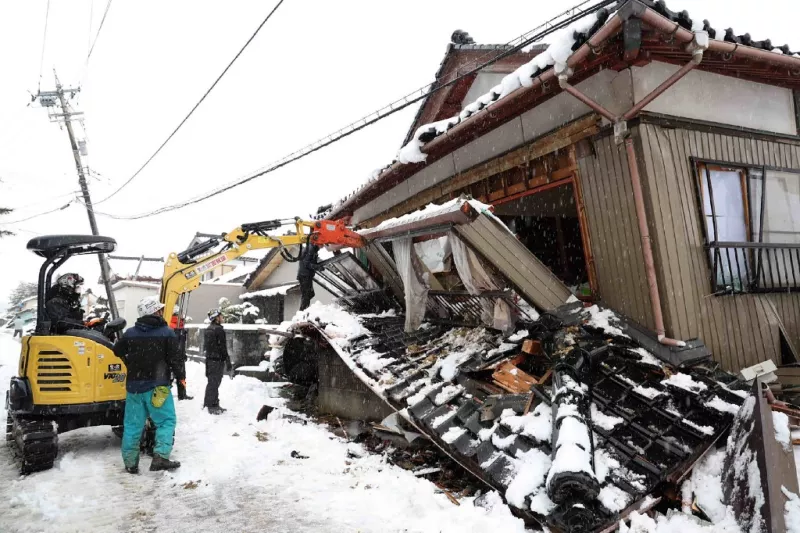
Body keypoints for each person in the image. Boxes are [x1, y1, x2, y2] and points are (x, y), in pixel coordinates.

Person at [113, 296, 185, 474]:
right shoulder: (166, 332)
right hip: (158, 388)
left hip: (134, 389)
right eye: (159, 309)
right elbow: (176, 360)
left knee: (132, 425)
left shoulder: (130, 333)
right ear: (155, 312)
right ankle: (160, 457)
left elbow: (117, 351)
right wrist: (181, 379)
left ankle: (130, 464)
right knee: (166, 421)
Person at [203, 308, 231, 415]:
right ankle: (211, 405)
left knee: (212, 382)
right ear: (216, 318)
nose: (222, 317)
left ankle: (212, 403)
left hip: (210, 360)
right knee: (214, 383)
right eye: (221, 316)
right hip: (217, 360)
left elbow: (207, 347)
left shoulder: (209, 329)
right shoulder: (218, 330)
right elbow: (223, 347)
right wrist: (227, 360)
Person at [169, 305, 193, 401]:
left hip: (175, 356)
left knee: (171, 378)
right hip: (177, 357)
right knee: (181, 377)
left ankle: (166, 395)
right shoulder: (177, 327)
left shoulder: (176, 326)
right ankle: (182, 394)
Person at [297, 243, 320, 311]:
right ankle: (302, 312)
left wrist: (317, 266)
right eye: (322, 244)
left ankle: (304, 310)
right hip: (304, 275)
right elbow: (306, 263)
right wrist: (316, 267)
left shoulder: (313, 249)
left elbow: (310, 262)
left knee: (310, 294)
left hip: (307, 275)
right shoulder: (310, 249)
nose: (323, 246)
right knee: (307, 295)